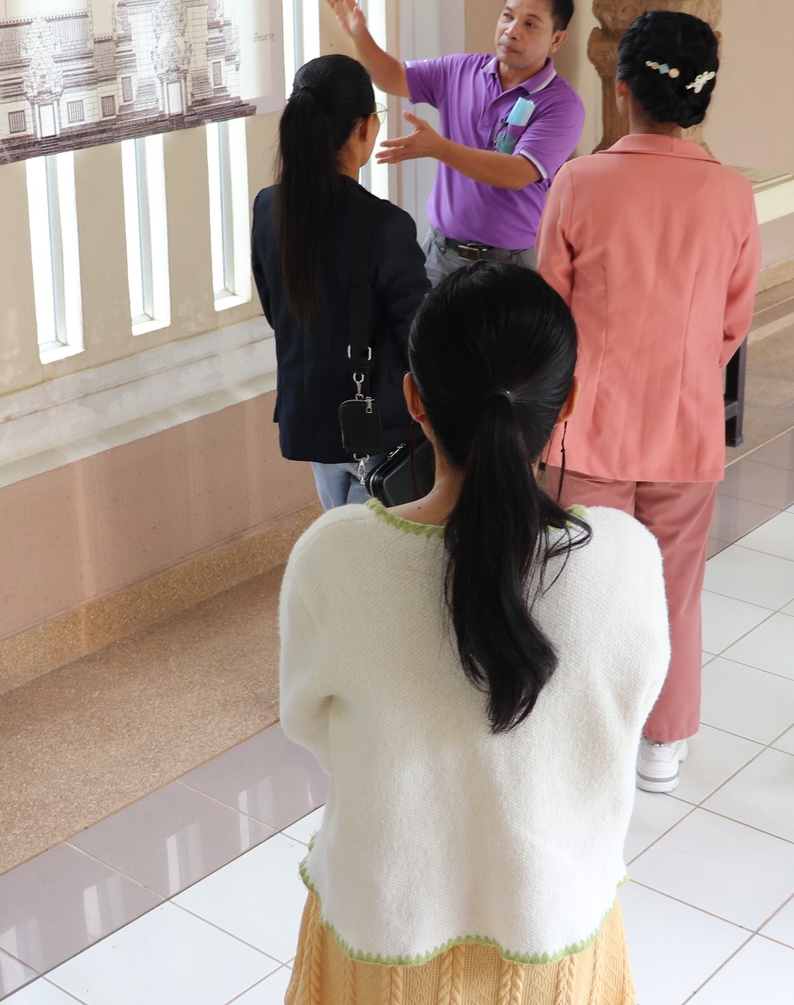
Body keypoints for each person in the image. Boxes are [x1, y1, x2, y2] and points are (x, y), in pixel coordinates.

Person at [278, 263, 668, 1003]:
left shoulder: (335, 556)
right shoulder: (624, 558)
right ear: (568, 402)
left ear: (413, 399)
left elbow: (309, 724)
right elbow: (624, 711)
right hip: (554, 937)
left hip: (381, 931)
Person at [535, 11, 760, 795]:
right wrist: (685, 371)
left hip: (585, 424)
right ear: (703, 97)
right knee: (674, 588)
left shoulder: (579, 181)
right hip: (685, 425)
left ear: (621, 88)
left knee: (580, 586)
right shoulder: (732, 193)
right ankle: (662, 742)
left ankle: (580, 735)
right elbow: (732, 322)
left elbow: (550, 314)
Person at [321, 0, 586, 280]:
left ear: (557, 39)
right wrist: (359, 35)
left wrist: (439, 148)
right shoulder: (461, 70)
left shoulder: (562, 105)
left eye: (530, 24)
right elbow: (393, 76)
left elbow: (517, 173)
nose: (512, 31)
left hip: (510, 266)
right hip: (440, 255)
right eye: (507, 16)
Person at [251, 55, 430, 509]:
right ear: (363, 127)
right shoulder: (385, 224)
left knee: (340, 534)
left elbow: (278, 310)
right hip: (378, 426)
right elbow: (419, 339)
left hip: (311, 418)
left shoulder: (269, 208)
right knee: (380, 544)